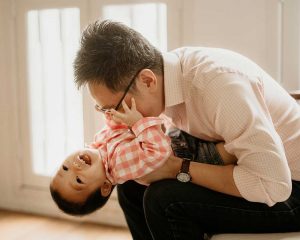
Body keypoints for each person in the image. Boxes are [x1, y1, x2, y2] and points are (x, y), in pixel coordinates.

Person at [72, 20, 300, 239]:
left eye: (116, 107)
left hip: (290, 186)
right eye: (105, 110)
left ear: (147, 81)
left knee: (164, 200)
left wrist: (176, 168)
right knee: (131, 186)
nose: (114, 117)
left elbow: (273, 186)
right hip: (258, 170)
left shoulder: (218, 87)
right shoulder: (168, 77)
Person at [50, 98, 231, 216]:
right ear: (105, 187)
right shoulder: (118, 165)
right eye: (79, 180)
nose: (74, 167)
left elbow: (117, 127)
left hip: (178, 136)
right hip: (192, 156)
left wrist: (111, 111)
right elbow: (157, 151)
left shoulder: (100, 145)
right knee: (232, 150)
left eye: (64, 168)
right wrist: (136, 122)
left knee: (220, 130)